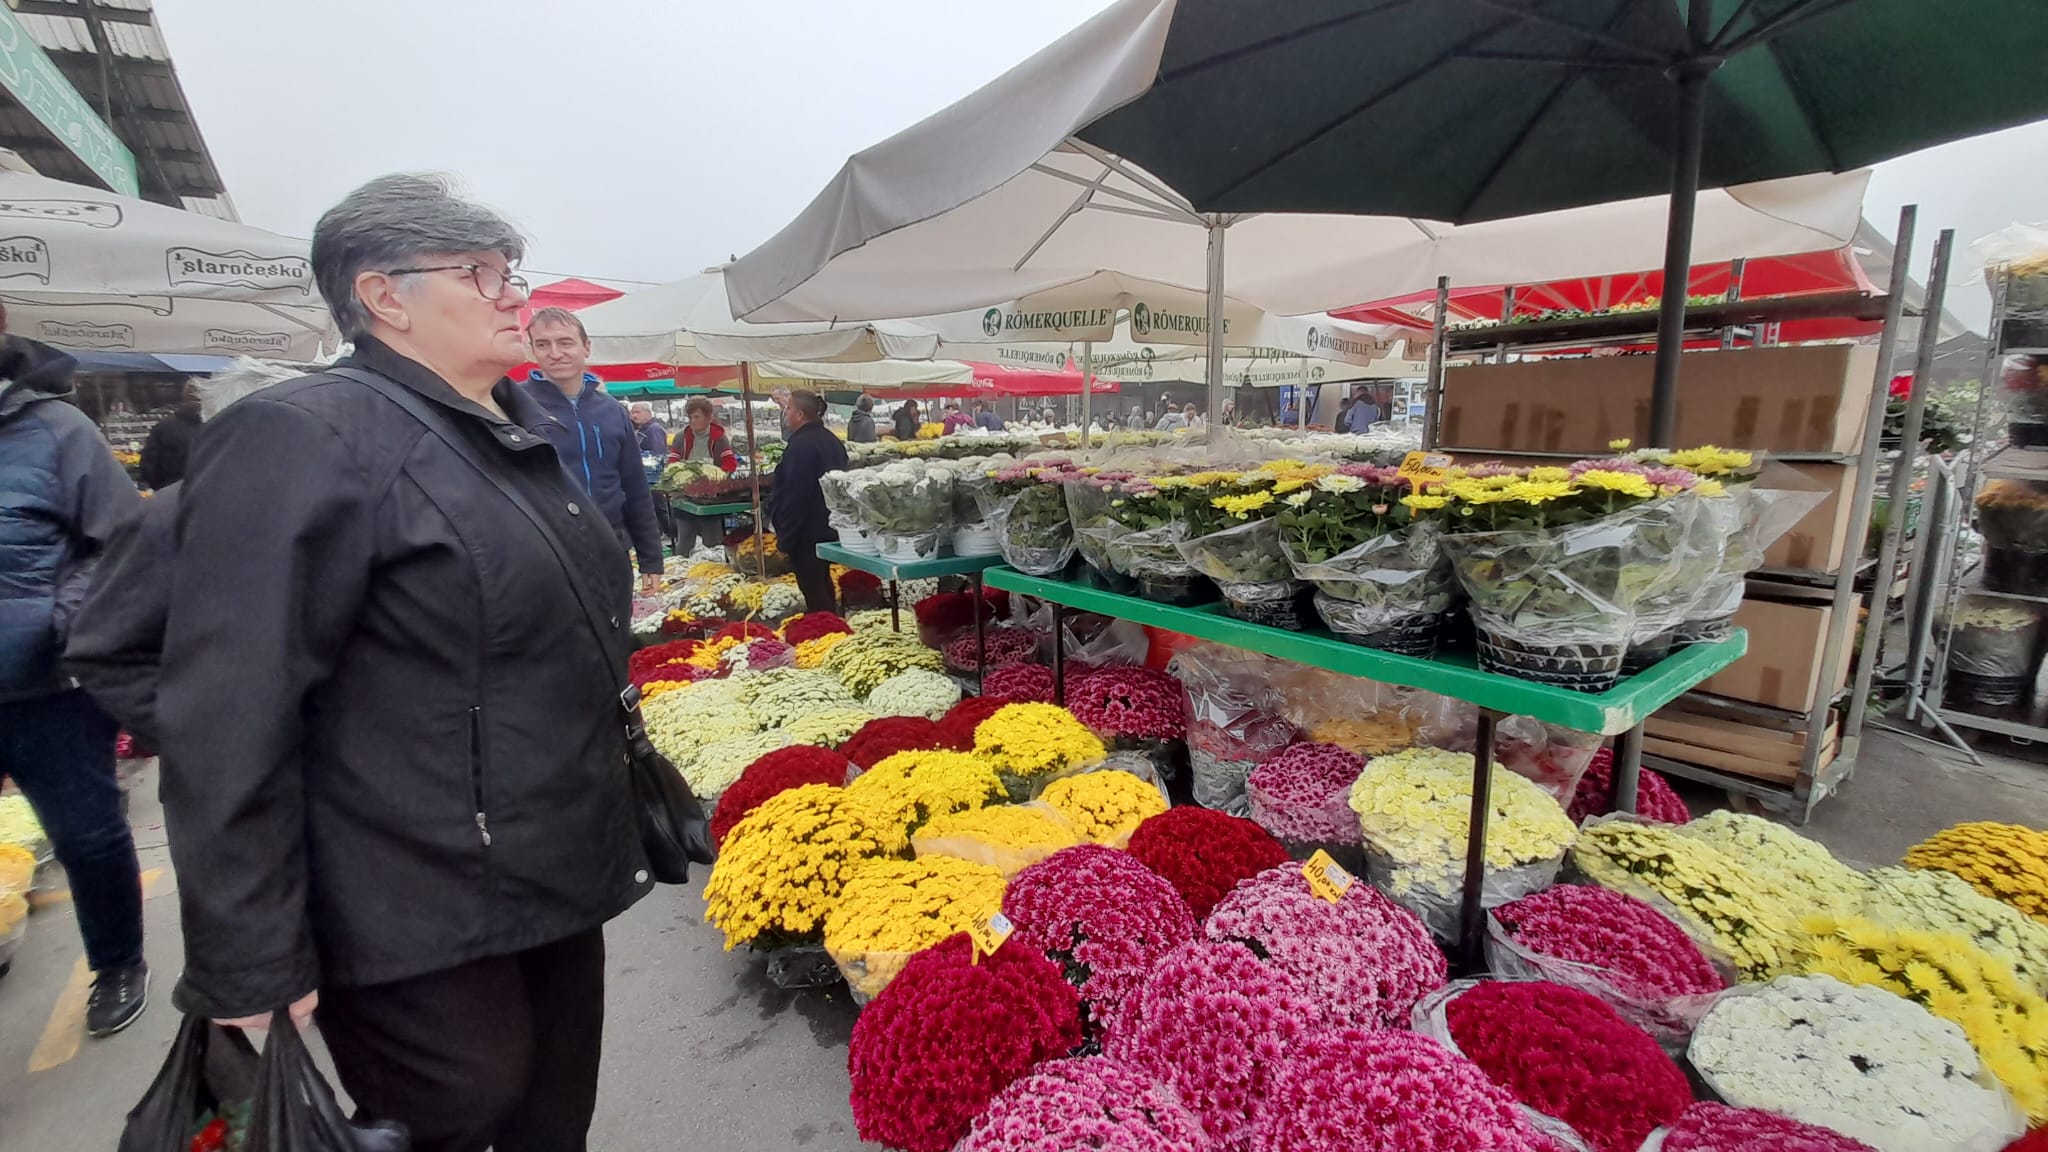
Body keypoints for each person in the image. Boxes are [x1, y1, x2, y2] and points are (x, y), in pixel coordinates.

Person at [156, 174, 650, 1152]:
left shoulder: (511, 431)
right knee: (463, 1113)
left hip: (550, 866)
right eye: (480, 273)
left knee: (554, 1115)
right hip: (410, 896)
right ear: (383, 296)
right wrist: (250, 959)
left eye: (510, 269)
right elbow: (222, 708)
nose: (516, 294)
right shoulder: (302, 436)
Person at [0, 302, 150, 1038]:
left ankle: (118, 962)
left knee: (86, 834)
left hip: (46, 686)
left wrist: (61, 621)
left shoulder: (58, 430)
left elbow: (121, 542)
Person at [521, 307, 663, 595]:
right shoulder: (515, 406)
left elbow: (635, 486)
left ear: (586, 347)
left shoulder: (612, 410)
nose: (555, 352)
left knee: (616, 636)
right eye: (543, 344)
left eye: (565, 342)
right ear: (531, 351)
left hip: (610, 549)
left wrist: (651, 558)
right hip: (546, 555)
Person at [768, 389, 848, 613]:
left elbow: (795, 496)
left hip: (807, 532)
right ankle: (831, 625)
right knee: (822, 582)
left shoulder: (801, 446)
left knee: (813, 589)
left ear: (800, 414)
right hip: (830, 527)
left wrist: (786, 538)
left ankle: (825, 633)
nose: (786, 413)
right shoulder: (831, 440)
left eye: (789, 408)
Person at [671, 397, 739, 559]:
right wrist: (680, 475)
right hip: (685, 498)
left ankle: (715, 573)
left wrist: (716, 478)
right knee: (684, 544)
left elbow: (730, 463)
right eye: (690, 417)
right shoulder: (681, 437)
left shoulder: (718, 438)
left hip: (710, 499)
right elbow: (672, 462)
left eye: (697, 417)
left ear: (708, 418)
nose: (693, 421)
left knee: (713, 544)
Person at [138, 382, 202, 490]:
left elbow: (148, 466)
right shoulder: (216, 426)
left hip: (170, 492)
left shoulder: (164, 426)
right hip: (204, 493)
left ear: (184, 397)